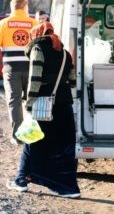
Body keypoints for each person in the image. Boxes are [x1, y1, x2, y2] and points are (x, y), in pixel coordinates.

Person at [7, 22, 80, 198]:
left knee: (31, 141)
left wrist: (29, 103)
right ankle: (67, 187)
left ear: (37, 34)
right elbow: (72, 80)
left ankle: (21, 180)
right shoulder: (63, 52)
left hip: (45, 105)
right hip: (65, 106)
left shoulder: (38, 49)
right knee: (62, 147)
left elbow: (35, 78)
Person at [0, 0, 38, 144]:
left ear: (12, 7)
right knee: (32, 100)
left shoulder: (3, 24)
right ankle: (33, 133)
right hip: (31, 69)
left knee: (14, 101)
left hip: (11, 69)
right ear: (26, 7)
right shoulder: (34, 24)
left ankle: (18, 136)